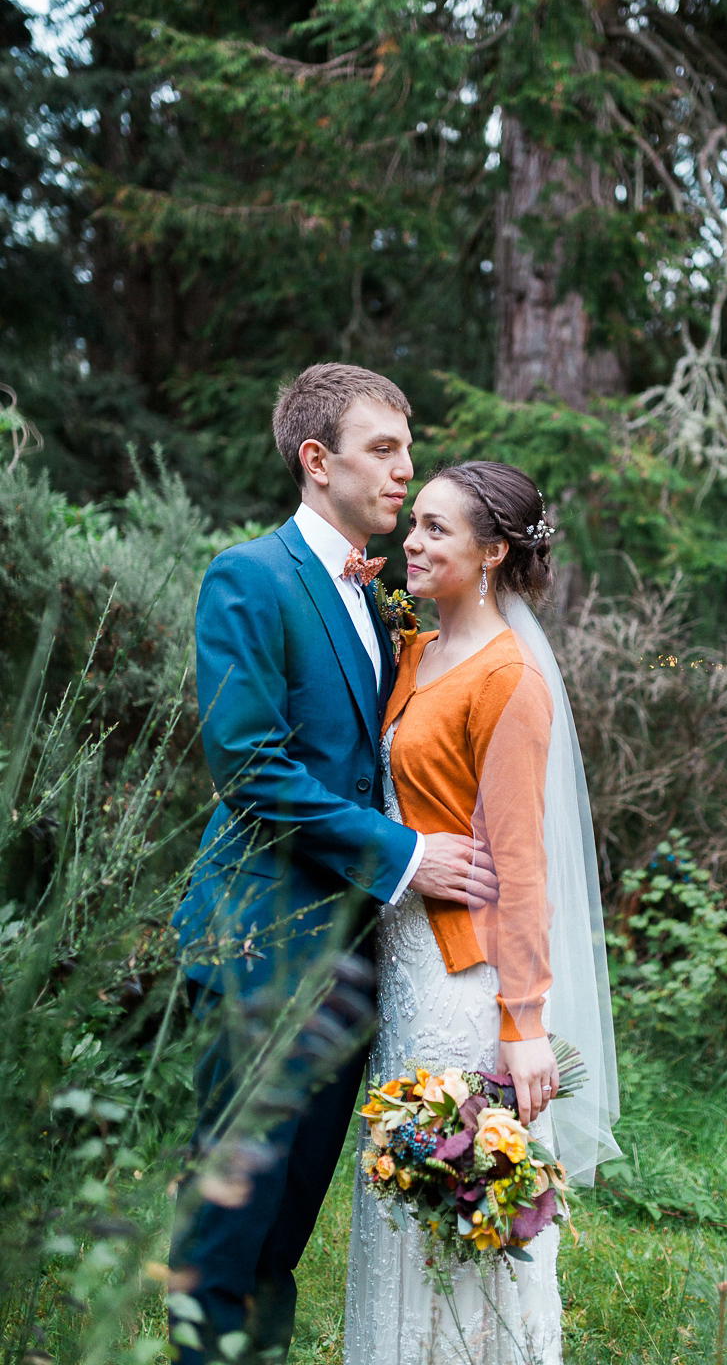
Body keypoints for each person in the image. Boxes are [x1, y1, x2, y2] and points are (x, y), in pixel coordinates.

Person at [168, 365, 499, 1363]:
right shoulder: (249, 577)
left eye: (408, 447)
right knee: (224, 1235)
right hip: (262, 950)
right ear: (318, 461)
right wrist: (406, 857)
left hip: (350, 965)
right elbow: (251, 770)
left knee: (284, 1239)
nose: (407, 470)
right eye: (383, 450)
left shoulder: (373, 593)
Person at [344, 462, 620, 1365]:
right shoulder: (421, 647)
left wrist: (526, 1023)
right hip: (404, 968)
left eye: (435, 531)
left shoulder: (511, 681)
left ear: (494, 552)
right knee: (401, 1200)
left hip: (464, 985)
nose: (410, 542)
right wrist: (361, 586)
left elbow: (523, 866)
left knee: (460, 1212)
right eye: (411, 524)